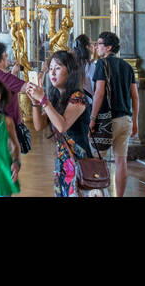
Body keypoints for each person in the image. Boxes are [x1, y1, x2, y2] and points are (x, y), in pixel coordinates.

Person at [26, 50, 95, 197]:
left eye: (57, 68)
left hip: (78, 160)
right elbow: (39, 125)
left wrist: (44, 100)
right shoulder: (57, 99)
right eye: (50, 69)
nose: (52, 73)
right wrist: (35, 103)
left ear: (70, 71)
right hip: (63, 162)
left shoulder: (78, 97)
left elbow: (62, 126)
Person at [90, 31, 139, 197]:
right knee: (120, 161)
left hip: (106, 121)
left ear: (109, 47)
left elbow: (99, 93)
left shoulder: (101, 64)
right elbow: (135, 96)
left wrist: (92, 118)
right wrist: (136, 121)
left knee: (96, 161)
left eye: (99, 43)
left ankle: (98, 193)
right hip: (126, 119)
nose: (96, 47)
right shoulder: (127, 66)